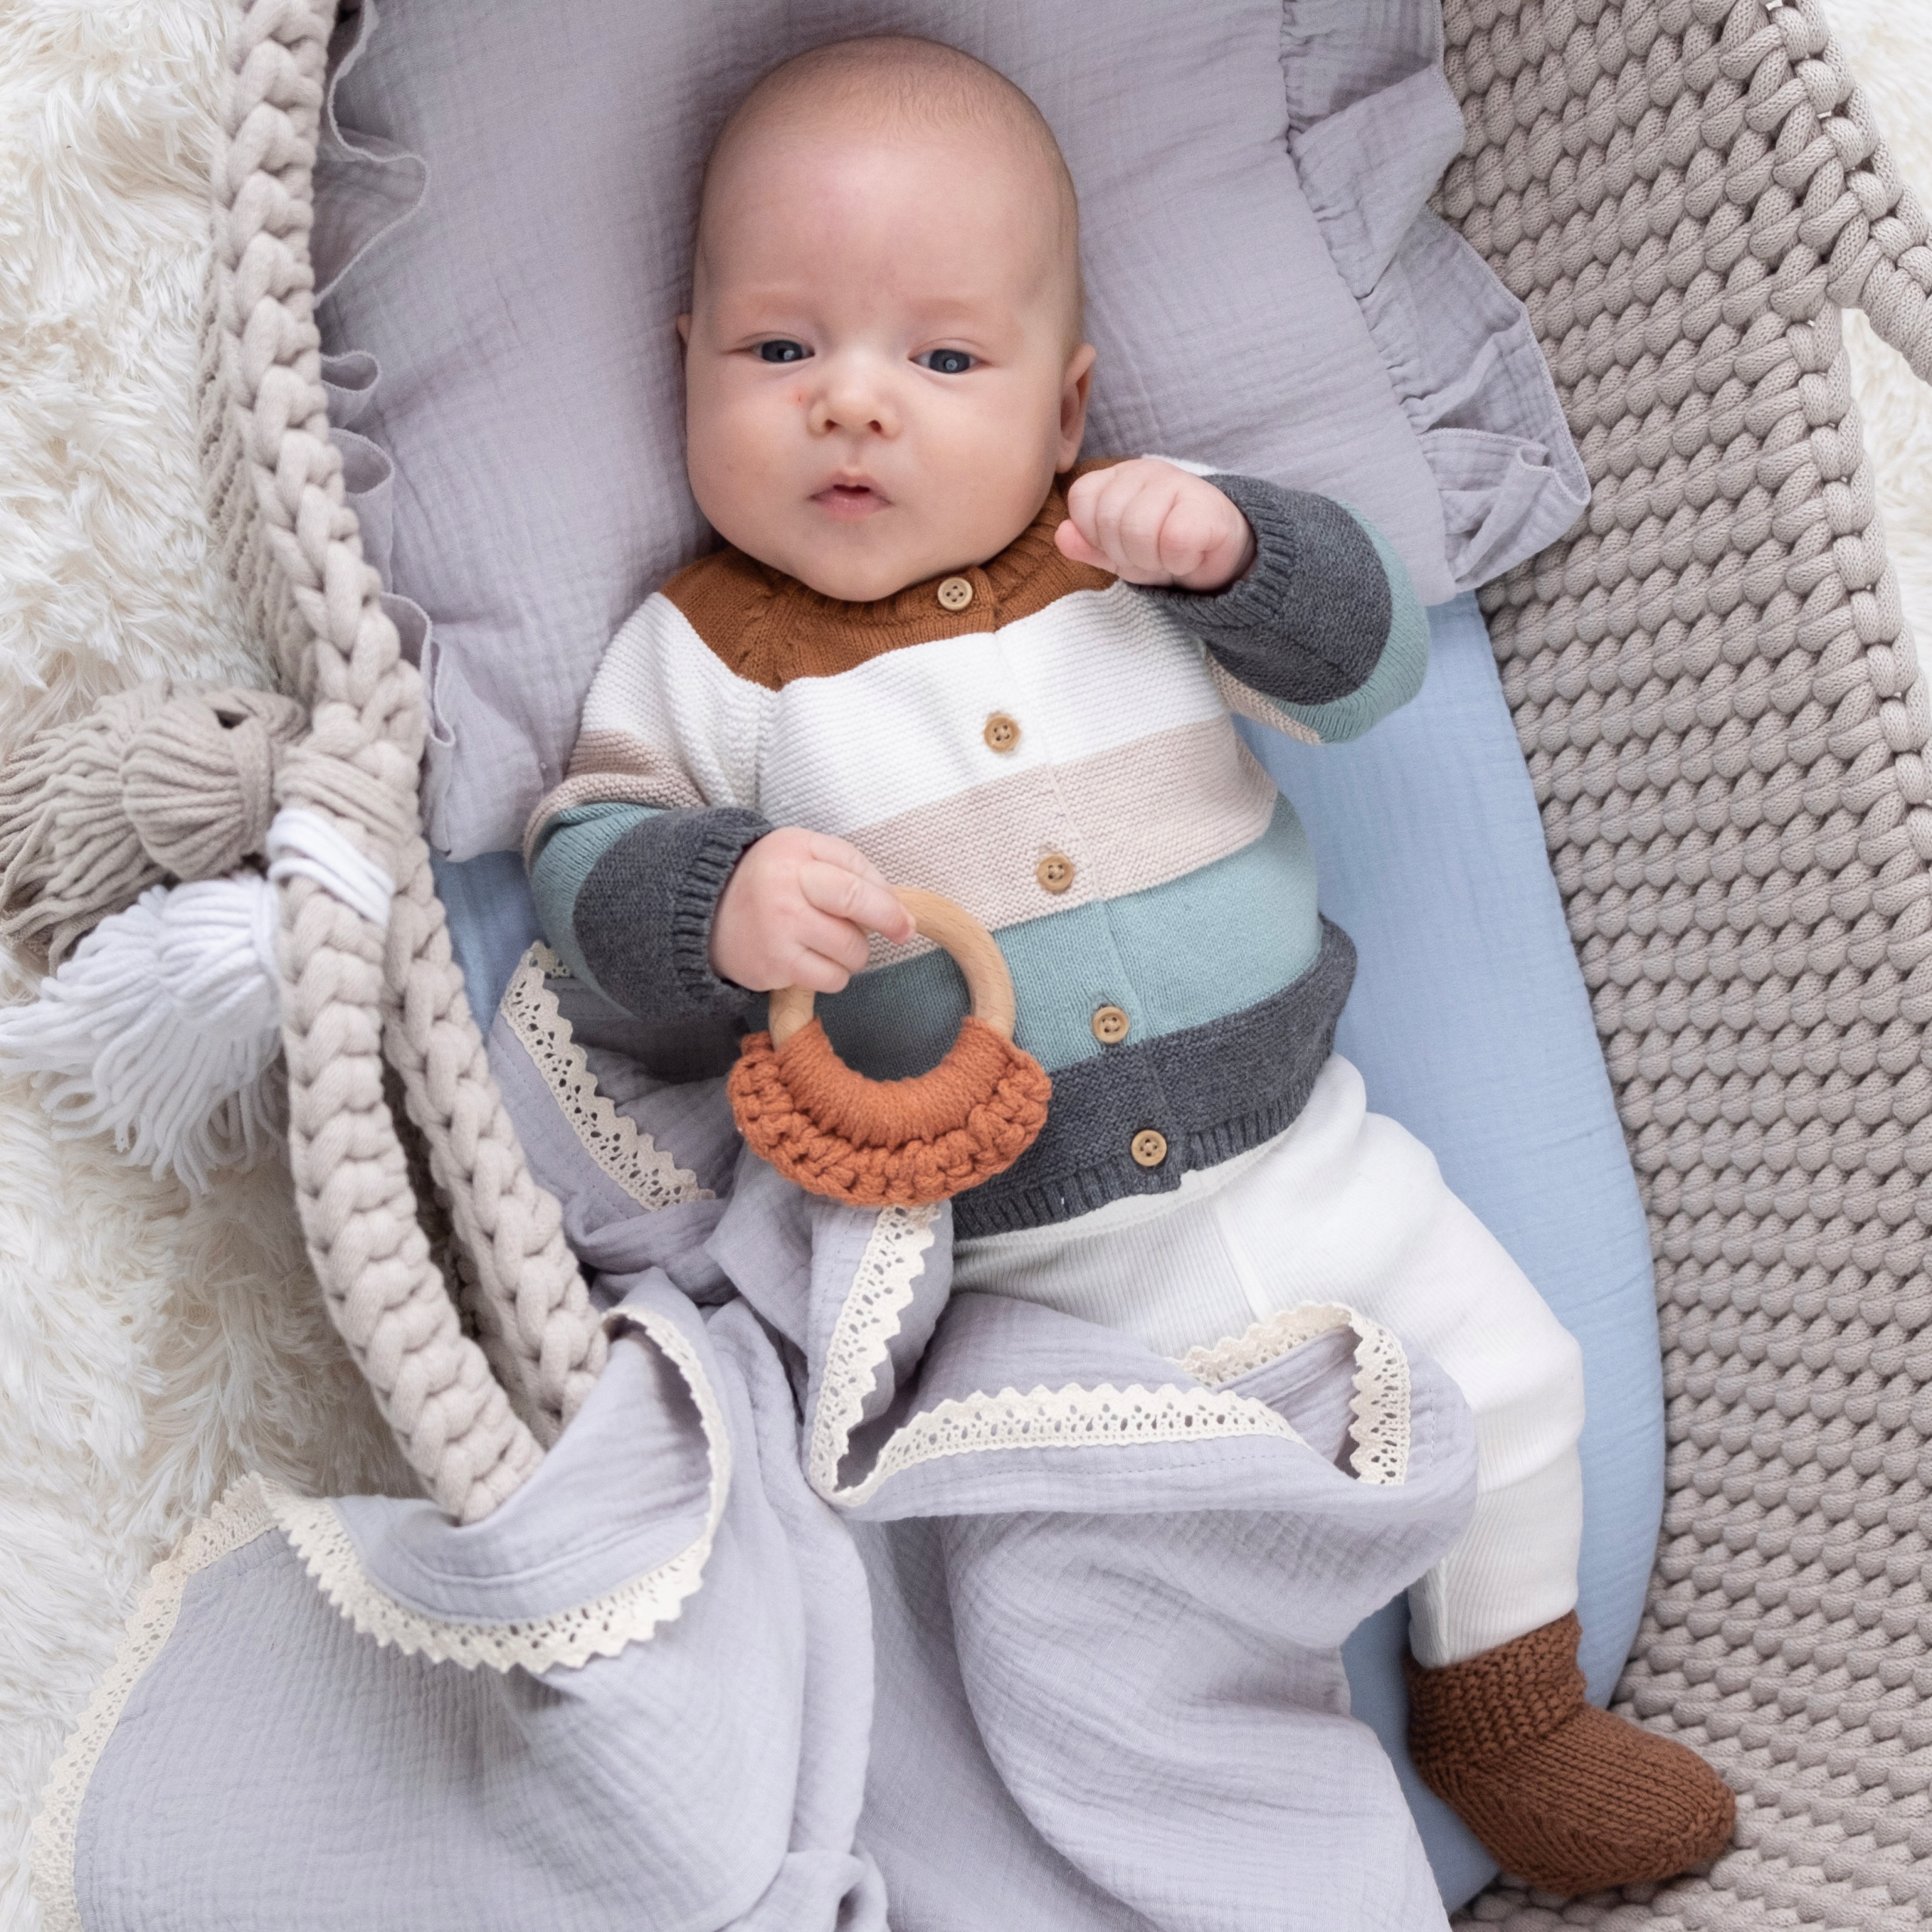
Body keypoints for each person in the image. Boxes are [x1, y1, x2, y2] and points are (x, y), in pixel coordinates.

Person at [525, 33, 1734, 1895]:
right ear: (681, 363)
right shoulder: (703, 658)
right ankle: (1191, 1831)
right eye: (777, 349)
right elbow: (578, 866)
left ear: (1066, 402)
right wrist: (719, 896)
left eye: (942, 360)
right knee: (1070, 1596)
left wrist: (1242, 552)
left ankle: (1504, 1718)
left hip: (1308, 1158)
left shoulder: (1131, 556)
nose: (851, 405)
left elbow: (1365, 670)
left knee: (1511, 1373)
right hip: (1020, 1276)